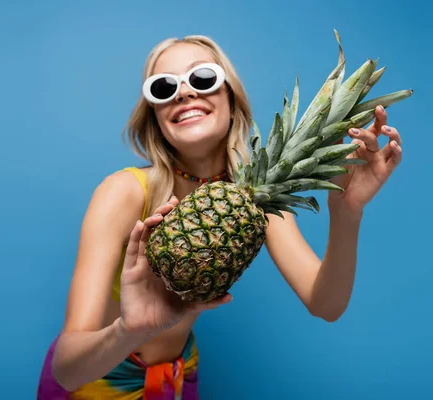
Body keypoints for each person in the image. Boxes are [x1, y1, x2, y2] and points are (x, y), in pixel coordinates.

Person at [37, 34, 404, 399]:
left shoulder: (254, 204)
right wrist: (129, 330)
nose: (183, 93)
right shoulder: (124, 192)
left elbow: (325, 304)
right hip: (94, 379)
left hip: (177, 379)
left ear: (231, 98)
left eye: (202, 78)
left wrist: (346, 211)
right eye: (163, 87)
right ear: (156, 116)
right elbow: (67, 370)